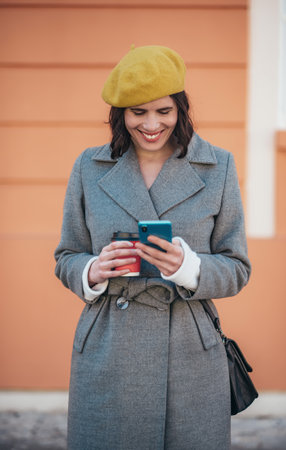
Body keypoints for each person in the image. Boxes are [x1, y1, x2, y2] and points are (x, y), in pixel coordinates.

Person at [54, 45, 251, 450]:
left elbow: (237, 267)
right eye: (137, 111)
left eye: (164, 111)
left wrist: (189, 268)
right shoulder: (89, 168)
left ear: (180, 110)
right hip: (109, 344)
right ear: (120, 114)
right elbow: (66, 256)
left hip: (189, 348)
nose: (151, 124)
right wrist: (91, 270)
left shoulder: (218, 167)